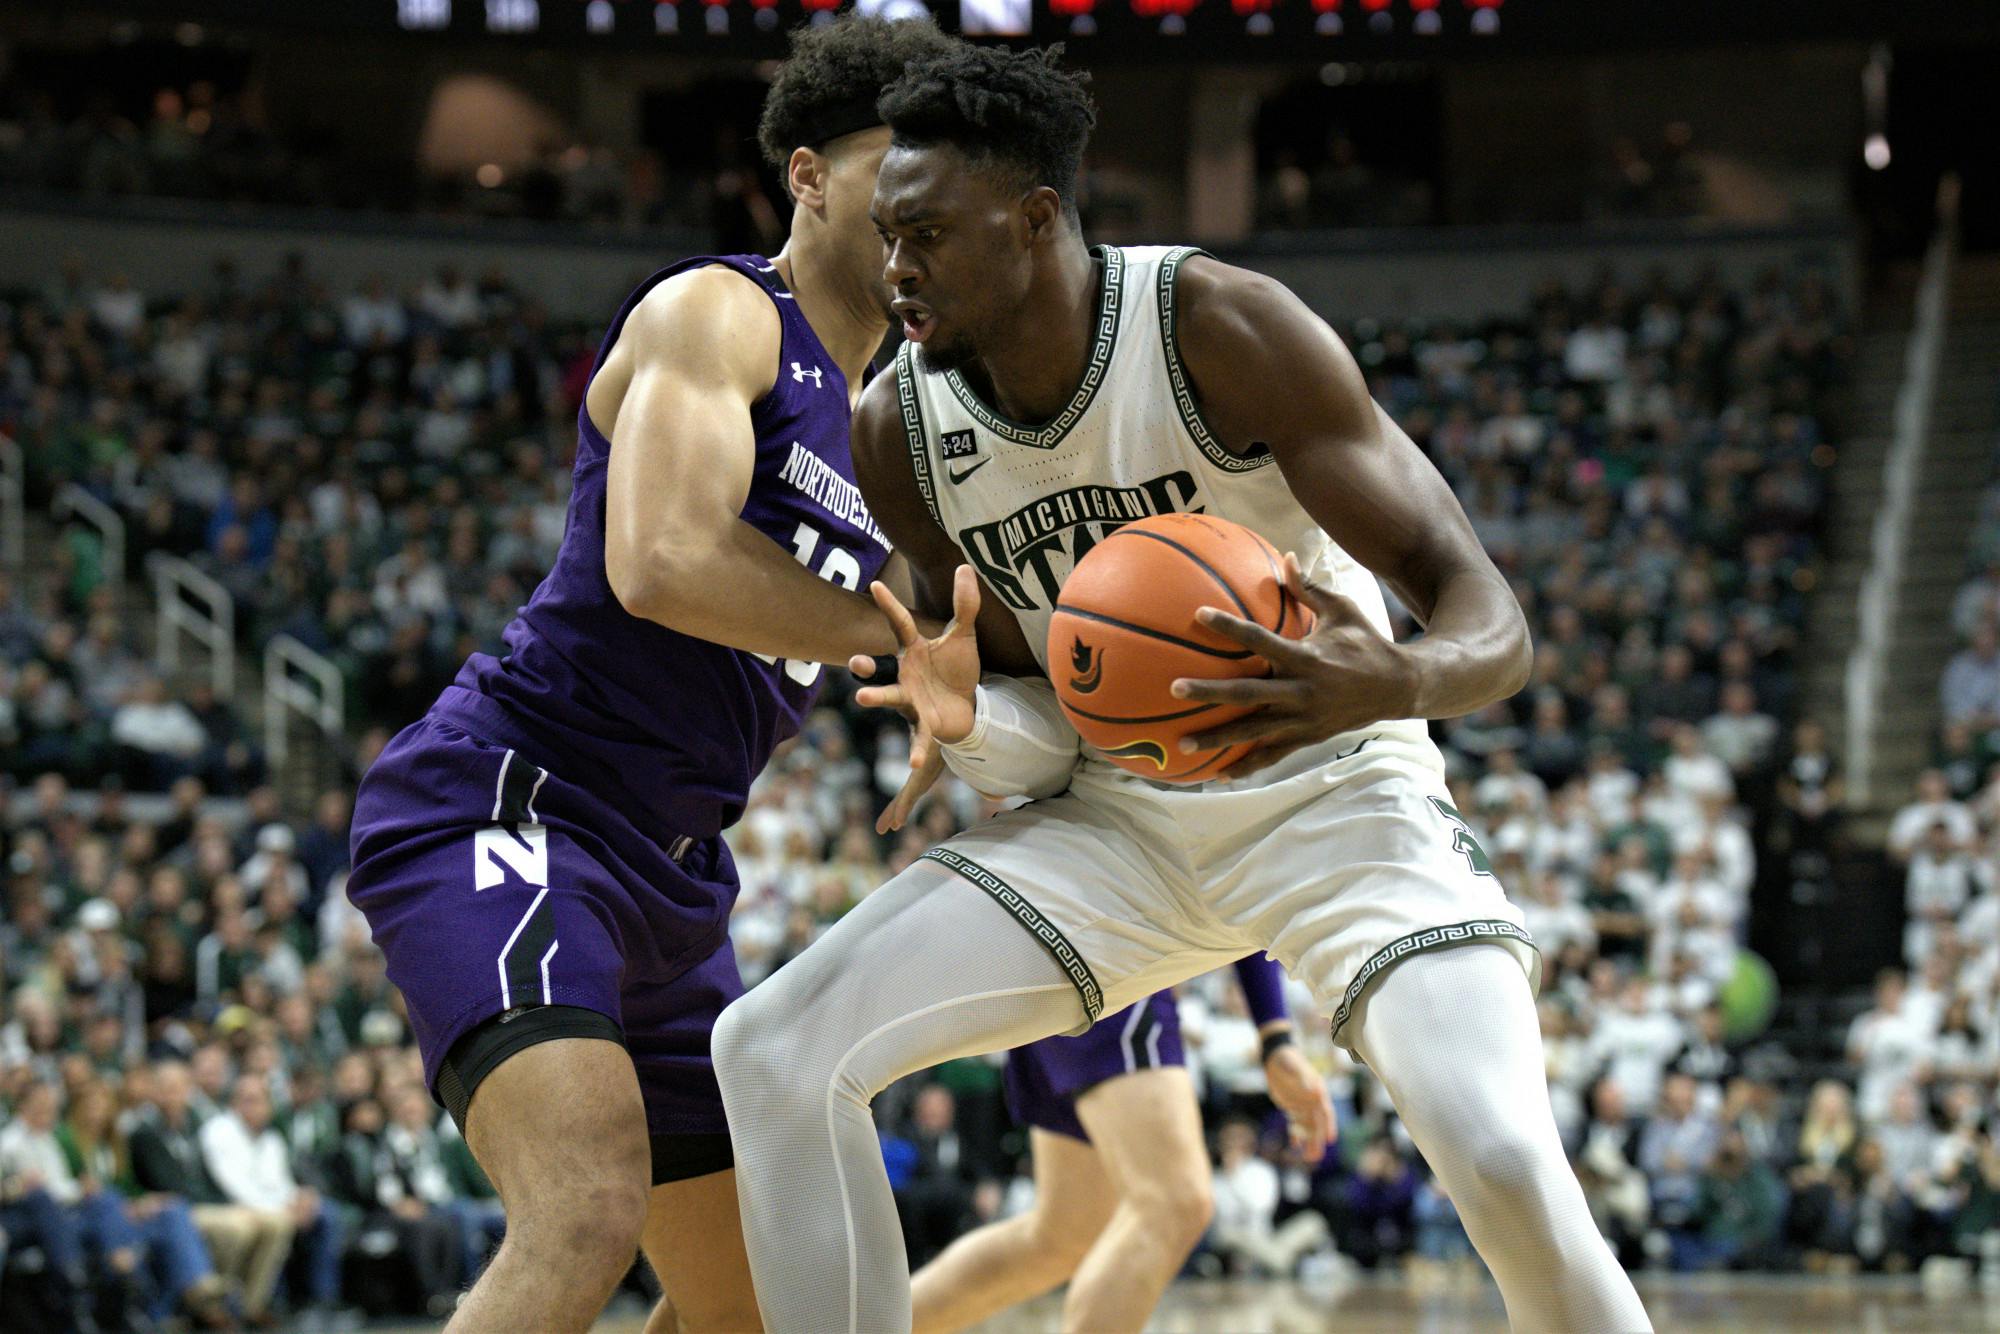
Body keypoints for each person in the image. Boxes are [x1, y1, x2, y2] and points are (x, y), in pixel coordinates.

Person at [713, 41, 1650, 1334]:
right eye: (885, 236)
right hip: (1118, 822)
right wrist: (970, 714)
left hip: (1327, 788)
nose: (895, 270)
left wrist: (1391, 677)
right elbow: (1038, 754)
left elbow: (1490, 617)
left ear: (1035, 219)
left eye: (926, 234)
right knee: (769, 1047)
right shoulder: (897, 429)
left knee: (1498, 1158)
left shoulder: (1216, 325)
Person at [339, 16, 967, 1332]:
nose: (928, 193)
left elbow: (951, 640)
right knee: (582, 1208)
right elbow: (664, 559)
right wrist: (892, 632)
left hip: (677, 877)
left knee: (752, 1306)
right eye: (897, 159)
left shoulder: (900, 426)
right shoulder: (720, 312)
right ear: (806, 174)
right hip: (517, 801)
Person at [910, 956, 1330, 1332]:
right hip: (1116, 963)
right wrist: (1274, 1030)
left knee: (1063, 1236)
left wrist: (1274, 1031)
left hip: (1054, 959)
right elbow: (1241, 883)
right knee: (1175, 1202)